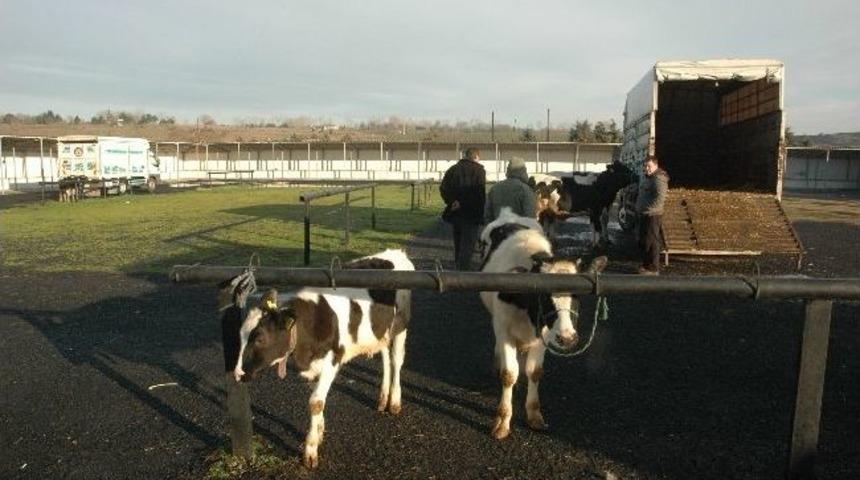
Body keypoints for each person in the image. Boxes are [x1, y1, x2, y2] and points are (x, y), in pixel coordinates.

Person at [440, 147, 486, 270]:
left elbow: (443, 188)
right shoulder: (479, 171)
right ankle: (463, 274)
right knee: (468, 245)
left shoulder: (453, 169)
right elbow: (479, 194)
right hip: (472, 214)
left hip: (456, 213)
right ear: (476, 157)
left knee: (458, 243)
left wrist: (452, 201)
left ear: (465, 156)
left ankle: (458, 268)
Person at [636, 155, 669, 275]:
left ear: (656, 165)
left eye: (649, 166)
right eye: (645, 166)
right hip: (646, 214)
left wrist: (649, 209)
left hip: (652, 214)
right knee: (645, 241)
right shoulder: (649, 178)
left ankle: (654, 268)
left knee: (653, 241)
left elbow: (660, 197)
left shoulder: (659, 178)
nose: (647, 168)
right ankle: (646, 265)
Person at [484, 157, 536, 223]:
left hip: (498, 230)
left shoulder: (495, 188)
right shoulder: (525, 190)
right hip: (518, 231)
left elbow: (487, 213)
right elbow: (529, 216)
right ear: (523, 171)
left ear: (508, 171)